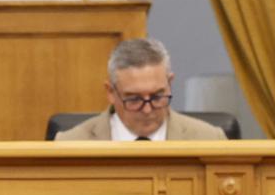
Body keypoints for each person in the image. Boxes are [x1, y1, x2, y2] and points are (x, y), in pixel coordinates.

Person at [54, 38, 227, 142]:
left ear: (169, 83)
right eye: (134, 99)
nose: (147, 110)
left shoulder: (210, 140)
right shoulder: (70, 143)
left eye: (157, 97)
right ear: (110, 92)